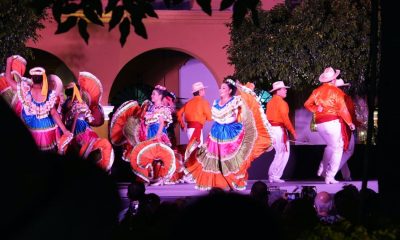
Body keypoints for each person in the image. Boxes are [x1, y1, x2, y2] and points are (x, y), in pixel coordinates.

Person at [184, 78, 273, 191]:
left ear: (230, 91)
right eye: (220, 88)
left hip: (230, 133)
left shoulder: (235, 101)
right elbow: (214, 117)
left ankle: (230, 181)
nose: (220, 90)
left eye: (223, 88)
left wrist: (243, 88)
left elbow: (240, 112)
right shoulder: (215, 102)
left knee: (228, 159)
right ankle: (218, 183)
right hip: (216, 133)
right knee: (215, 160)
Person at [5, 56, 71, 152]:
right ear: (44, 79)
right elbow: (54, 113)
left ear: (31, 78)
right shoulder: (49, 94)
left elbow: (9, 80)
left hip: (31, 127)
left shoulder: (25, 90)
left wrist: (9, 62)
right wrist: (64, 130)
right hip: (47, 127)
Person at [304, 67, 355, 184]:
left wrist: (316, 108)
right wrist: (350, 122)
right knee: (338, 148)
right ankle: (329, 175)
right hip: (332, 122)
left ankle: (323, 169)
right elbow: (342, 109)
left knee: (331, 146)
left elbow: (306, 104)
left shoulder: (316, 91)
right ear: (334, 79)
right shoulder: (337, 91)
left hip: (320, 123)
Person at [129, 85, 183, 185]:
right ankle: (152, 176)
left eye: (154, 94)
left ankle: (164, 176)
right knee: (151, 154)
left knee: (160, 154)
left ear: (160, 96)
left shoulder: (162, 109)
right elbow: (147, 123)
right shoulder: (151, 108)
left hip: (158, 133)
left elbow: (162, 123)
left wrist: (158, 135)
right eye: (152, 94)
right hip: (150, 133)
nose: (152, 95)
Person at [266, 81, 297, 183]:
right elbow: (286, 120)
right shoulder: (282, 103)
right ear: (277, 91)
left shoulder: (270, 102)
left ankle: (275, 175)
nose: (285, 90)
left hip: (272, 129)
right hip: (278, 130)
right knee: (281, 153)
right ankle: (273, 175)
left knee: (282, 152)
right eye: (283, 89)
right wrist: (293, 131)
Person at [334, 79, 361, 181]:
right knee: (349, 151)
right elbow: (350, 114)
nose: (345, 89)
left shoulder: (333, 99)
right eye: (343, 87)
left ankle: (347, 175)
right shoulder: (346, 98)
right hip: (345, 127)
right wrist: (356, 123)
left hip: (336, 127)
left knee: (342, 152)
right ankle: (332, 171)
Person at [176, 81, 212, 148]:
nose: (204, 91)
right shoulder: (204, 102)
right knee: (197, 151)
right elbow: (210, 118)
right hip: (197, 129)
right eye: (203, 89)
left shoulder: (188, 103)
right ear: (200, 91)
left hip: (189, 129)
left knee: (193, 149)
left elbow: (178, 114)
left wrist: (183, 125)